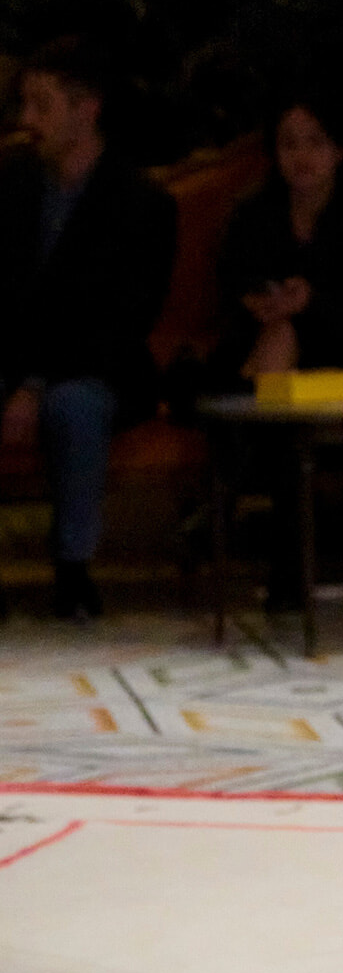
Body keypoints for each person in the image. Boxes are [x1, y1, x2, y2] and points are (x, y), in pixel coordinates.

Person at [0, 38, 177, 618]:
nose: (27, 121)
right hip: (16, 364)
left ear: (85, 108)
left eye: (41, 105)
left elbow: (123, 320)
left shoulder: (140, 202)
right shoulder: (12, 185)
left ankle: (73, 573)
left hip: (100, 367)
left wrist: (36, 384)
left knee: (73, 407)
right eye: (24, 105)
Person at [215, 94, 343, 384]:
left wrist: (310, 301)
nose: (301, 156)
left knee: (283, 338)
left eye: (315, 142)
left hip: (342, 342)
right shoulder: (252, 214)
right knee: (274, 337)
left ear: (341, 148)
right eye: (289, 143)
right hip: (258, 335)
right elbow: (232, 284)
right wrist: (259, 301)